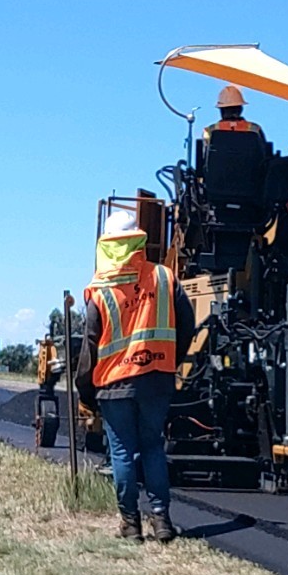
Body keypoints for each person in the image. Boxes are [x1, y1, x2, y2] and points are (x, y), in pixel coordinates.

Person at [76, 210, 195, 541]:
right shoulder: (164, 277)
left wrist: (85, 389)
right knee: (153, 448)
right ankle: (162, 521)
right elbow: (187, 324)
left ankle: (130, 525)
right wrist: (170, 358)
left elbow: (89, 346)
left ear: (107, 246)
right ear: (139, 241)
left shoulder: (99, 292)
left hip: (114, 385)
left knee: (123, 453)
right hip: (157, 378)